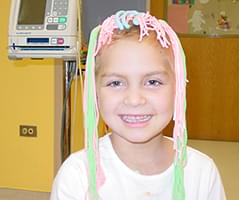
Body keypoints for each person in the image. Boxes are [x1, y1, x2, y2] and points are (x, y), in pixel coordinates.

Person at [50, 10, 226, 200]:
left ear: (178, 88)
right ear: (95, 92)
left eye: (153, 82)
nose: (134, 100)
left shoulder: (201, 173)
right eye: (116, 83)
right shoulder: (76, 177)